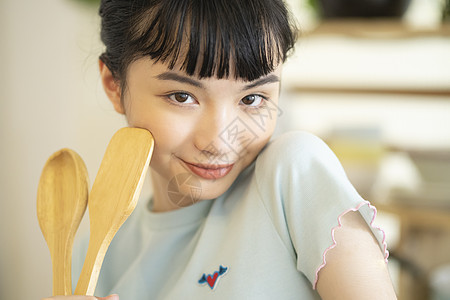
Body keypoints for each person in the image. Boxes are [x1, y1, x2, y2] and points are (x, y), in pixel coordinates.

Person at [43, 0, 397, 299]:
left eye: (252, 98)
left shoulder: (293, 175)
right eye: (182, 97)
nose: (219, 141)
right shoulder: (90, 257)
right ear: (113, 84)